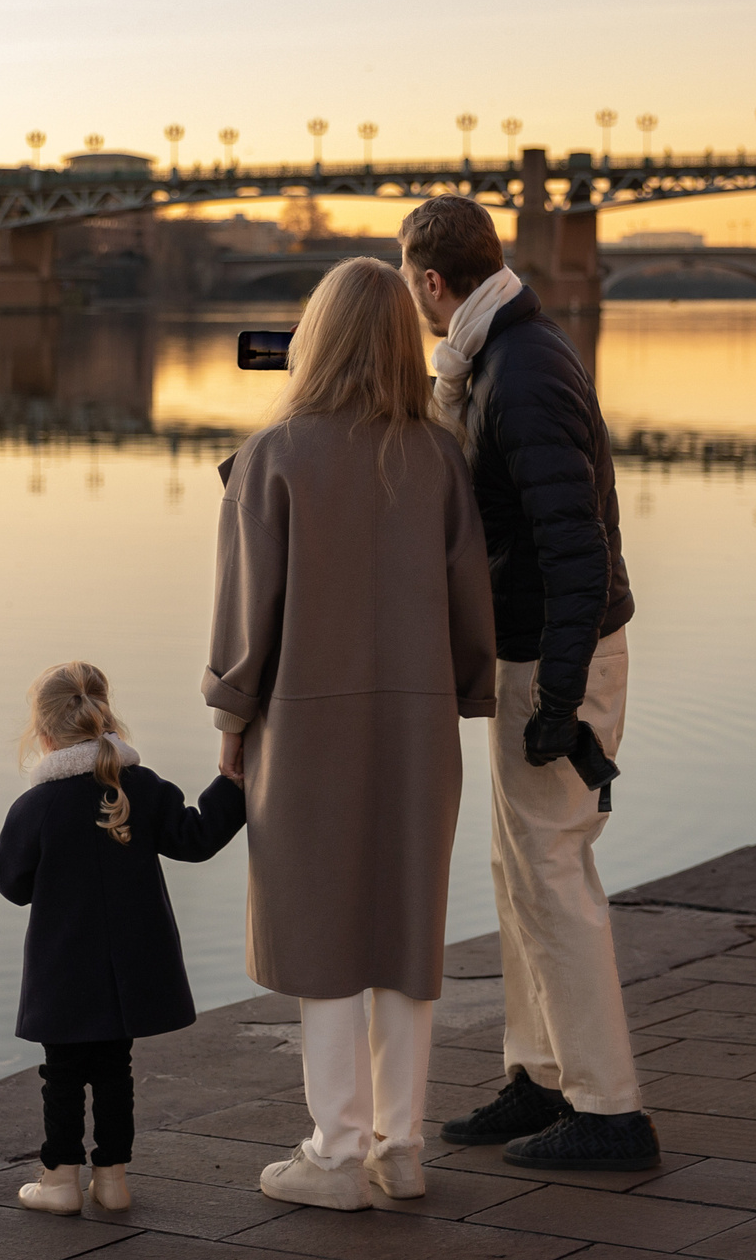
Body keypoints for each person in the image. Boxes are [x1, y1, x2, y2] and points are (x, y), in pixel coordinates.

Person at [205, 257, 497, 1210]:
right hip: (418, 725)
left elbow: (250, 615)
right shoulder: (441, 454)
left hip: (305, 725)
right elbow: (469, 604)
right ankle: (399, 1145)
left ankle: (335, 1151)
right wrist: (464, 693)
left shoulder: (275, 453)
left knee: (321, 933)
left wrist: (229, 717)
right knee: (403, 929)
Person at [402, 195, 658, 1171]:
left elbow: (575, 543)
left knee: (553, 877)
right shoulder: (492, 357)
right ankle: (539, 1075)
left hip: (565, 653)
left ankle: (608, 1110)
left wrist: (557, 696)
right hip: (538, 650)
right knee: (518, 877)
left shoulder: (523, 370)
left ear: (433, 282)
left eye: (410, 284)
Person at [0, 661, 247, 1216]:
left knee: (62, 1073)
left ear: (44, 734)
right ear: (106, 717)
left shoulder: (38, 805)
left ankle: (59, 1180)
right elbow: (197, 837)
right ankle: (112, 1178)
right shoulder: (143, 787)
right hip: (133, 968)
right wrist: (233, 785)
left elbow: (11, 882)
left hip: (64, 968)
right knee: (114, 1069)